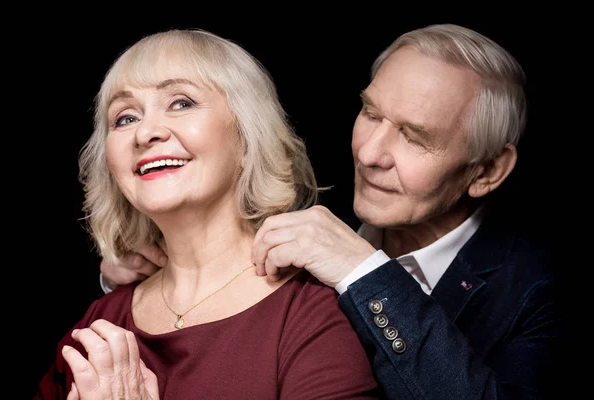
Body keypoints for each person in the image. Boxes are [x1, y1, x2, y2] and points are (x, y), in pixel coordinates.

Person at [99, 23, 561, 399]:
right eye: (371, 114)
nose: (370, 154)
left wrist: (364, 272)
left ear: (488, 170)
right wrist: (137, 270)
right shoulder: (314, 218)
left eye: (415, 136)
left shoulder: (542, 291)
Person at [35, 28, 380, 399]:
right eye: (125, 118)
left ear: (247, 137)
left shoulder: (313, 314)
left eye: (181, 102)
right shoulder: (96, 326)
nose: (145, 132)